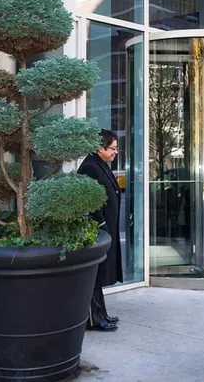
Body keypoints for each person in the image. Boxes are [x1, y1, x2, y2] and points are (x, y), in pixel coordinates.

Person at [77, 129, 123, 332]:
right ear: (99, 148)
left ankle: (100, 314)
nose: (116, 152)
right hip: (98, 230)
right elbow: (90, 201)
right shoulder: (90, 167)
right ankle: (93, 319)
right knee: (94, 275)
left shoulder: (98, 164)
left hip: (105, 229)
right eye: (112, 148)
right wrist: (101, 224)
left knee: (99, 274)